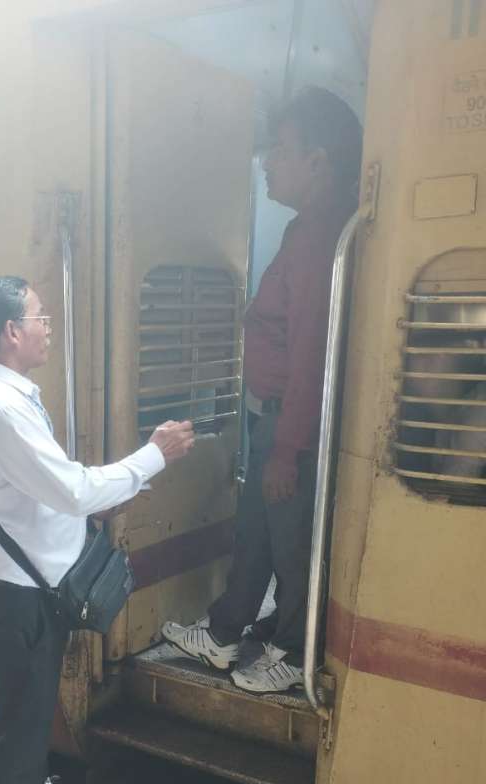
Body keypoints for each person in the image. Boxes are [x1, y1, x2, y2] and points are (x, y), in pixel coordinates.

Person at [0, 276, 194, 784]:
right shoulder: (0, 410)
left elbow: (50, 493)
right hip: (18, 597)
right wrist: (153, 457)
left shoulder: (9, 396)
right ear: (12, 332)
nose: (48, 325)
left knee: (31, 715)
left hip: (34, 588)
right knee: (19, 725)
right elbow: (73, 490)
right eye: (40, 316)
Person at [163, 86, 363, 694]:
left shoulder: (318, 239)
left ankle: (293, 653)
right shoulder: (307, 231)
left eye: (280, 149)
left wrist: (287, 448)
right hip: (272, 416)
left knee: (292, 542)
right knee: (257, 529)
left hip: (289, 419)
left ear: (318, 161)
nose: (268, 162)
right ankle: (225, 634)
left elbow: (311, 353)